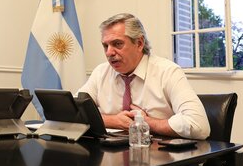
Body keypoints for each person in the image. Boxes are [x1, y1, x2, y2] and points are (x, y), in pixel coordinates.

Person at [78, 13, 210, 139]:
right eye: (105, 46)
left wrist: (145, 122)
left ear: (139, 43)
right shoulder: (101, 72)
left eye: (117, 44)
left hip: (161, 156)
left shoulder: (167, 71)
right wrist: (113, 120)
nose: (109, 52)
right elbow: (72, 112)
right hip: (113, 154)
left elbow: (199, 125)